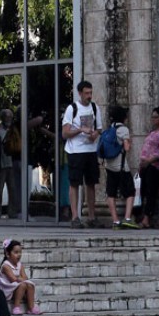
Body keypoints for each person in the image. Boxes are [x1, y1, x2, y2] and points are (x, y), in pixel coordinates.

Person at [61, 80, 103, 229]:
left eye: (90, 93)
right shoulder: (72, 109)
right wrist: (80, 130)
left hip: (91, 150)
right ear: (79, 93)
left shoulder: (94, 108)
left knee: (91, 183)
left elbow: (99, 128)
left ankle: (91, 216)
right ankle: (75, 217)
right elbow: (65, 133)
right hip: (76, 151)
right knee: (74, 183)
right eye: (86, 93)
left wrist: (95, 134)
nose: (89, 96)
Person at [101, 105, 138, 230]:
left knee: (111, 193)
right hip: (121, 167)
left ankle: (115, 221)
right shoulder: (123, 129)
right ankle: (127, 218)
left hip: (109, 166)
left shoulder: (110, 128)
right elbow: (127, 148)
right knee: (130, 191)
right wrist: (128, 142)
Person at [0, 238, 42, 315]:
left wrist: (20, 279)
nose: (19, 255)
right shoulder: (6, 266)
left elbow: (25, 277)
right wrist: (20, 279)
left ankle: (31, 307)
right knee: (23, 285)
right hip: (7, 288)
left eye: (20, 252)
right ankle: (16, 307)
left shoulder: (20, 264)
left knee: (30, 285)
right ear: (8, 254)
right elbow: (13, 279)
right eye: (16, 252)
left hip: (15, 285)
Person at [138, 106, 159, 228]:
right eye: (152, 117)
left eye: (156, 117)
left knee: (151, 191)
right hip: (145, 166)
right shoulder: (152, 133)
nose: (153, 119)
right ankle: (139, 215)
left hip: (154, 166)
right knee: (141, 190)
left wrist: (149, 160)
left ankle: (147, 218)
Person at [0, 108, 20, 219]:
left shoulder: (14, 130)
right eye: (6, 116)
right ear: (2, 118)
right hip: (1, 163)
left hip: (11, 163)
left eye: (10, 116)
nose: (8, 118)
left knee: (12, 189)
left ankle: (12, 212)